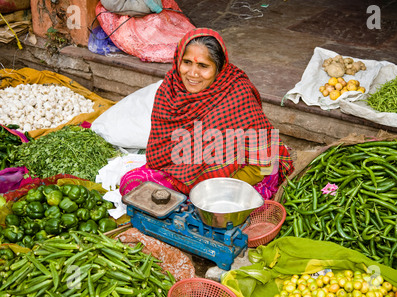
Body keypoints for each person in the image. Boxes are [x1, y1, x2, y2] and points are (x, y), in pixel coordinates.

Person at [119, 28, 294, 199]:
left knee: (220, 208)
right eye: (187, 62)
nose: (193, 73)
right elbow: (160, 151)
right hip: (179, 171)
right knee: (131, 183)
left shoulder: (238, 93)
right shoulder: (170, 89)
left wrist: (217, 189)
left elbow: (261, 159)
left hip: (234, 175)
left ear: (219, 68)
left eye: (203, 66)